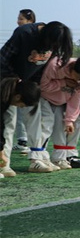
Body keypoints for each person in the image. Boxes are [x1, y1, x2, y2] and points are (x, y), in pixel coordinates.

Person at [0, 21, 73, 177]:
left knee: (38, 119)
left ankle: (36, 159)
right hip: (8, 85)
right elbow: (2, 60)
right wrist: (15, 82)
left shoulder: (54, 42)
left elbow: (43, 69)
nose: (52, 48)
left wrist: (35, 88)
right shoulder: (24, 34)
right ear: (44, 36)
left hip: (29, 86)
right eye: (52, 45)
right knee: (8, 123)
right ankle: (3, 165)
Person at [1, 78, 41, 178]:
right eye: (22, 105)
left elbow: (1, 127)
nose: (21, 107)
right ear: (18, 97)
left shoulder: (6, 95)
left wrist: (1, 151)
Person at [13, 9, 37, 155]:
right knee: (19, 111)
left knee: (28, 111)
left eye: (21, 19)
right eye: (18, 18)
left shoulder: (30, 37)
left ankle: (29, 143)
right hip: (19, 79)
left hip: (28, 81)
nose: (18, 21)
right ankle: (23, 140)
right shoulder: (19, 34)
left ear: (30, 21)